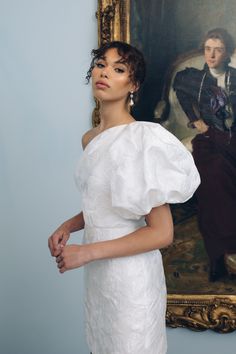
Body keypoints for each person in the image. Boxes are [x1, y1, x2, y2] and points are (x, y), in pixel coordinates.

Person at [48, 41, 200, 354]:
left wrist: (87, 252)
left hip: (131, 280)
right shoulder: (90, 138)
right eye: (101, 64)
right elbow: (111, 202)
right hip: (101, 277)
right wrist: (69, 224)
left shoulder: (142, 139)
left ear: (132, 85)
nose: (104, 72)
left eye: (118, 69)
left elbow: (161, 233)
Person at [173, 28, 236, 282]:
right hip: (210, 140)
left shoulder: (235, 78)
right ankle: (218, 257)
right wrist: (195, 120)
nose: (211, 54)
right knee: (214, 181)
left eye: (218, 49)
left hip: (234, 140)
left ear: (227, 52)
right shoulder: (195, 79)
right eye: (208, 49)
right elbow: (180, 90)